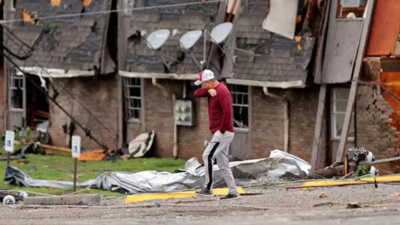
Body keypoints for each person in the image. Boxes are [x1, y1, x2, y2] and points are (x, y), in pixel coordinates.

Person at [193, 69, 240, 199]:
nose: (200, 86)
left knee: (207, 156)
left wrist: (221, 131)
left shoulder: (222, 92)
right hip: (221, 132)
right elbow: (196, 93)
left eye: (202, 84)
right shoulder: (211, 91)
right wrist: (207, 91)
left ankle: (208, 188)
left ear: (207, 82)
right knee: (223, 164)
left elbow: (228, 113)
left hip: (223, 132)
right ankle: (233, 192)